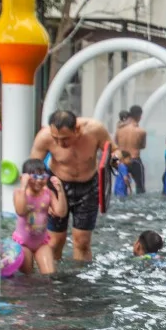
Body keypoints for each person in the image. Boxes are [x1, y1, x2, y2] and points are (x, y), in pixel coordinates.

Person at [29, 110, 118, 263]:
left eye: (64, 139)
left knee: (82, 242)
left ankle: (81, 281)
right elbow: (32, 169)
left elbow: (114, 150)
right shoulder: (44, 137)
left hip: (88, 187)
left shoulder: (95, 130)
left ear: (76, 129)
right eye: (55, 138)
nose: (59, 144)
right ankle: (52, 280)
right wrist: (43, 194)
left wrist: (116, 158)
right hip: (57, 186)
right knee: (55, 241)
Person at [12, 158, 67, 275]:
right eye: (34, 177)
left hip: (41, 243)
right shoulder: (19, 193)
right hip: (23, 243)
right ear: (24, 178)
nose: (38, 181)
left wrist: (60, 191)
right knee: (27, 276)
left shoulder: (48, 193)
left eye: (42, 177)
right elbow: (21, 211)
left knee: (49, 274)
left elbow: (61, 213)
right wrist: (23, 186)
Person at [116, 104, 147, 193]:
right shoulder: (141, 131)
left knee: (121, 187)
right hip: (135, 160)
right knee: (140, 187)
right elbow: (143, 146)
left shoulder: (119, 130)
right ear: (139, 116)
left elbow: (116, 144)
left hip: (121, 161)